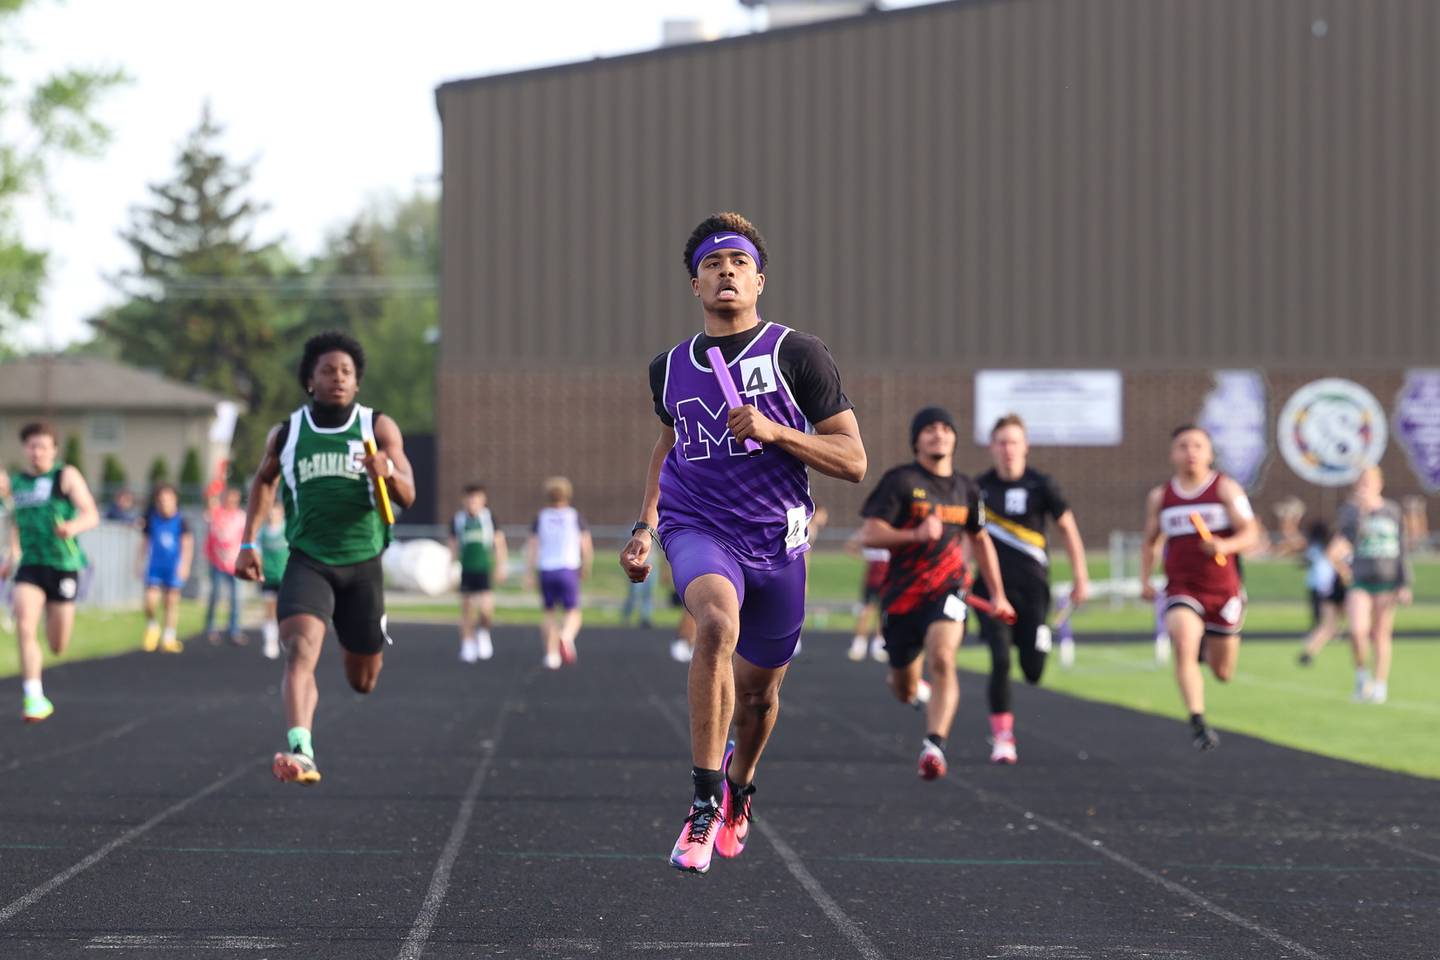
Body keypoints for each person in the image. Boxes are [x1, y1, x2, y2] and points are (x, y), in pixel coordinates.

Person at [619, 212, 866, 875]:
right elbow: (669, 443)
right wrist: (645, 525)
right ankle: (702, 800)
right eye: (712, 263)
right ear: (694, 283)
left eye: (737, 261)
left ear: (758, 279)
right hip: (699, 527)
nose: (725, 270)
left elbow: (852, 459)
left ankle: (740, 784)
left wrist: (779, 432)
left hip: (778, 543)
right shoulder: (668, 367)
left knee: (758, 698)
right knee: (713, 628)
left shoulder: (797, 354)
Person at [235, 330, 416, 785]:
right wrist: (248, 540)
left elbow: (408, 496)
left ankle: (356, 640)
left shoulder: (377, 427)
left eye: (347, 372)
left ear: (357, 384)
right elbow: (263, 482)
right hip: (308, 559)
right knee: (298, 650)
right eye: (328, 371)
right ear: (310, 381)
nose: (338, 378)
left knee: (363, 680)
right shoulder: (287, 432)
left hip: (363, 564)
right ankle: (302, 749)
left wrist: (388, 471)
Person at [859, 406, 1012, 780]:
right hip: (901, 596)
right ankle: (912, 688)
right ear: (916, 440)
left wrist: (998, 594)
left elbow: (980, 541)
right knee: (903, 687)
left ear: (955, 438)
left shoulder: (967, 489)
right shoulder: (900, 481)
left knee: (943, 657)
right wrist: (914, 535)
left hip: (948, 590)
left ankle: (934, 746)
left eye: (946, 428)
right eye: (929, 429)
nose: (938, 435)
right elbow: (870, 533)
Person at [973, 414, 1090, 765]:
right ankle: (1003, 739)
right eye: (1002, 442)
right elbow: (968, 536)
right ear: (992, 447)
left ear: (1025, 447)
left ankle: (1040, 640)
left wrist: (1080, 577)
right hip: (993, 592)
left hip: (1034, 592)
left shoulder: (1043, 485)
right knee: (1000, 659)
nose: (1008, 449)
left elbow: (1068, 529)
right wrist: (961, 573)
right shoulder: (979, 488)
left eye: (1014, 442)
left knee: (1033, 669)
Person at [1139, 425, 1260, 751]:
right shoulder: (1161, 496)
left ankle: (1210, 645)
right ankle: (1197, 720)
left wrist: (1224, 544)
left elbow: (1251, 533)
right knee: (1183, 642)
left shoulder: (1226, 489)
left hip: (1223, 591)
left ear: (1209, 453)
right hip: (1182, 587)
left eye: (1197, 446)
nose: (1190, 452)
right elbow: (1150, 541)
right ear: (1173, 454)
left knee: (1223, 672)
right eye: (1183, 446)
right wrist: (1145, 579)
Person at [0, 422, 99, 722]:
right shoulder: (17, 483)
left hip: (63, 566)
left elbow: (91, 514)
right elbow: (16, 522)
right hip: (31, 565)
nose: (37, 452)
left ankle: (50, 625)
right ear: (25, 449)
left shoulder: (65, 476)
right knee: (25, 625)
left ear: (54, 450)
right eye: (31, 446)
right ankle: (34, 697)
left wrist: (72, 527)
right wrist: (11, 555)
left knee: (57, 644)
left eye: (43, 446)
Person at [1331, 467, 1412, 704]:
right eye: (1361, 481)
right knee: (1358, 631)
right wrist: (1363, 513)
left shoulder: (1392, 511)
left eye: (1369, 481)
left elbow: (1401, 549)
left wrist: (1404, 583)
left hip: (1386, 580)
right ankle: (1361, 675)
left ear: (1380, 483)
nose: (1365, 485)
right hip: (1361, 579)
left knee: (1381, 634)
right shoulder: (1350, 512)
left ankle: (1380, 684)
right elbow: (1346, 542)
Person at [527, 477, 591, 669]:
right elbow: (585, 545)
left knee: (549, 613)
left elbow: (532, 547)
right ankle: (566, 635)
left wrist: (529, 572)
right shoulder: (574, 516)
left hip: (546, 569)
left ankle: (551, 655)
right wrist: (586, 566)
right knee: (573, 611)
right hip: (567, 567)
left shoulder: (541, 517)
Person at [449, 483, 507, 662]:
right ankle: (467, 644)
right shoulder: (458, 520)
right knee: (467, 608)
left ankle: (483, 633)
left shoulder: (489, 519)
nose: (472, 502)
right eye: (469, 498)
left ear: (483, 500)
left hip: (484, 569)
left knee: (486, 608)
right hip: (467, 570)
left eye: (476, 499)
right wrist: (451, 568)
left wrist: (500, 566)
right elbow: (453, 546)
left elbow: (499, 544)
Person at [138, 484, 193, 654]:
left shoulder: (181, 521)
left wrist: (184, 565)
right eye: (161, 500)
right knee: (150, 601)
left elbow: (187, 544)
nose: (165, 503)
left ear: (175, 500)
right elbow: (145, 542)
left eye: (168, 500)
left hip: (173, 567)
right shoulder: (152, 519)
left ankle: (169, 637)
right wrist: (139, 562)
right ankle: (152, 626)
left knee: (171, 602)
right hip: (155, 566)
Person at [1297, 520, 1346, 666]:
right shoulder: (1333, 546)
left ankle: (1311, 648)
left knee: (1329, 624)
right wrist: (1345, 573)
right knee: (1329, 623)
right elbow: (1334, 559)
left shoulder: (1318, 547)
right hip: (1331, 587)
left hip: (1327, 587)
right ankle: (1312, 644)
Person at [203, 487, 246, 646]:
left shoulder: (241, 517)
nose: (232, 502)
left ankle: (234, 629)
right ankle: (210, 627)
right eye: (229, 499)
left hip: (235, 564)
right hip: (217, 562)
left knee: (236, 598)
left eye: (235, 500)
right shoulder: (216, 513)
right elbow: (209, 507)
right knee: (215, 595)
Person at [844, 531, 889, 663]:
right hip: (873, 578)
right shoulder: (870, 533)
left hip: (887, 577)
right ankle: (859, 643)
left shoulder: (891, 531)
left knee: (883, 612)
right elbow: (851, 545)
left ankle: (879, 643)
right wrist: (863, 556)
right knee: (866, 610)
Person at [257, 503, 289, 660]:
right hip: (268, 577)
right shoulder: (262, 533)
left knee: (285, 610)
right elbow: (257, 552)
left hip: (285, 576)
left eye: (275, 513)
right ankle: (270, 641)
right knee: (269, 609)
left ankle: (285, 637)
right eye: (269, 513)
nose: (272, 516)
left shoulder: (286, 530)